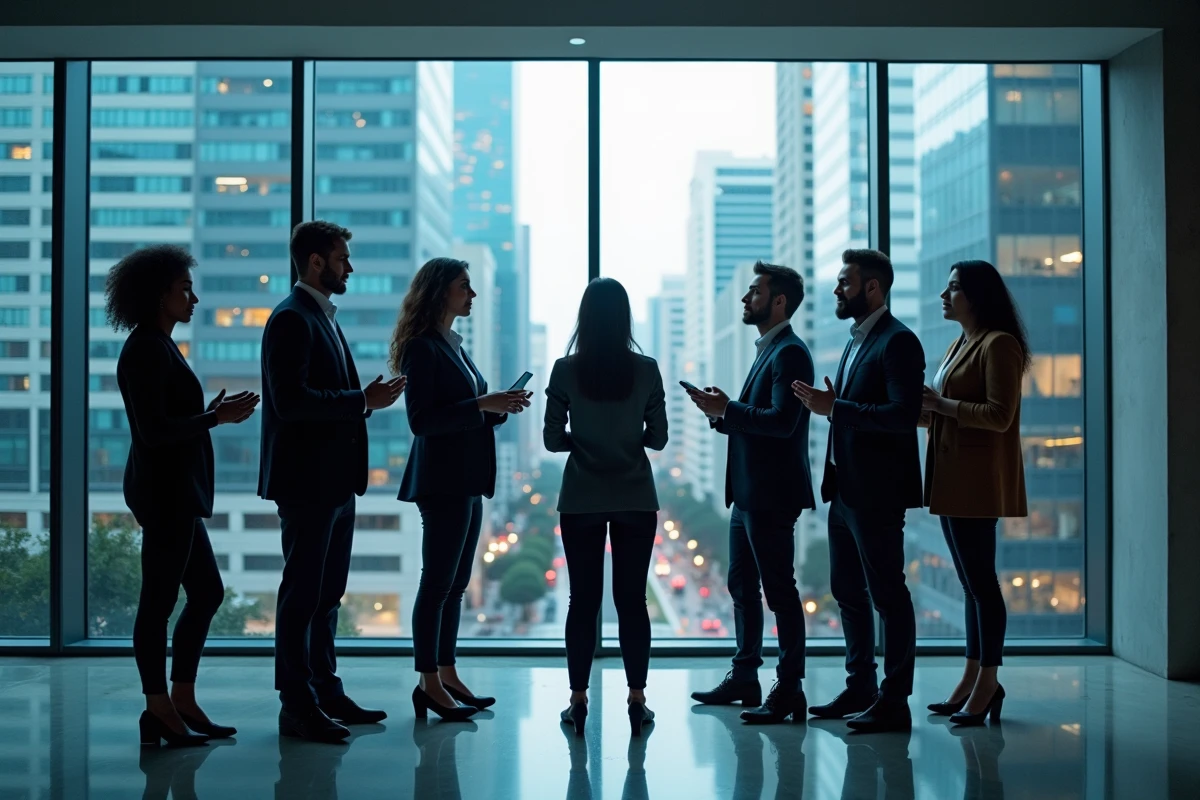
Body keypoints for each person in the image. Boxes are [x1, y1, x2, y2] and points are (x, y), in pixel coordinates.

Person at [260, 221, 406, 743]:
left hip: (333, 482)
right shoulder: (291, 320)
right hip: (307, 482)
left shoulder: (319, 318)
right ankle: (296, 703)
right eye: (343, 258)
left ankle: (325, 690)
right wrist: (361, 401)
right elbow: (290, 402)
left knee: (326, 595)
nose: (350, 266)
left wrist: (361, 401)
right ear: (316, 262)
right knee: (302, 594)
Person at [109, 244, 260, 747]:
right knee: (157, 602)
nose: (193, 298)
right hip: (166, 494)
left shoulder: (161, 344)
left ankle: (181, 699)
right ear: (159, 295)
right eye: (184, 289)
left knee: (206, 593)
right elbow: (154, 432)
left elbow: (169, 420)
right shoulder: (146, 348)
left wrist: (208, 413)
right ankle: (158, 708)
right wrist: (215, 418)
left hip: (177, 493)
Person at [392, 257, 531, 721]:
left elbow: (466, 412)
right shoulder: (422, 347)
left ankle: (447, 673)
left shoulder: (454, 346)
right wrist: (481, 404)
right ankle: (428, 682)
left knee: (453, 586)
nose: (472, 295)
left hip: (467, 479)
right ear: (441, 292)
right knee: (435, 584)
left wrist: (498, 407)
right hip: (443, 481)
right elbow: (422, 420)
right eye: (464, 287)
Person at [793, 248, 924, 733]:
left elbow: (902, 416)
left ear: (873, 287)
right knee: (847, 592)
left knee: (888, 594)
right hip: (845, 491)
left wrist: (836, 407)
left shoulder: (899, 342)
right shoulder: (854, 343)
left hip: (878, 493)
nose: (836, 290)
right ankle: (861, 686)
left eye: (844, 282)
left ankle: (895, 699)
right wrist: (835, 406)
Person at [687, 261, 816, 725]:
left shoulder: (790, 354)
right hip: (748, 494)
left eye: (754, 292)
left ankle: (790, 689)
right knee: (742, 587)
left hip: (771, 495)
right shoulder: (769, 350)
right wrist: (721, 414)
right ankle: (746, 677)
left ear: (778, 301)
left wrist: (731, 409)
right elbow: (753, 421)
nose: (746, 299)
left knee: (780, 592)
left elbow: (783, 423)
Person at [543, 278, 668, 737]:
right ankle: (637, 701)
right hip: (635, 495)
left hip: (581, 496)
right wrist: (626, 442)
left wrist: (585, 443)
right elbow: (658, 437)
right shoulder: (648, 369)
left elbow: (552, 439)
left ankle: (578, 702)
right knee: (633, 601)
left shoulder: (564, 370)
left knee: (582, 601)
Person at [921, 260, 1030, 726]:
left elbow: (999, 415)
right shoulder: (959, 343)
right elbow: (947, 414)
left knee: (983, 584)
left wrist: (940, 403)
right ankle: (971, 677)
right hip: (951, 476)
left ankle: (988, 682)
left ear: (977, 295)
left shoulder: (999, 345)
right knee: (970, 585)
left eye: (953, 289)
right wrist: (921, 409)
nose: (943, 297)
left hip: (978, 479)